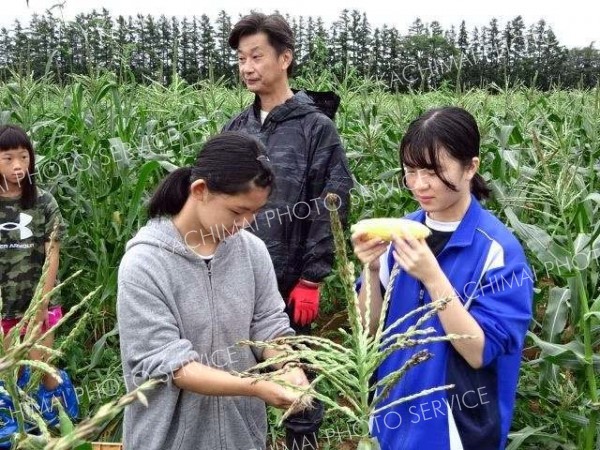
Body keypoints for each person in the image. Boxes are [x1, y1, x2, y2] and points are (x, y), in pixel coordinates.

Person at [352, 107, 533, 450]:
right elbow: (368, 330)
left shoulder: (499, 252)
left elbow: (479, 352)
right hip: (392, 418)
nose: (419, 184)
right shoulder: (399, 235)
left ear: (471, 168)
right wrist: (371, 269)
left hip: (455, 431)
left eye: (434, 171)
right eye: (411, 171)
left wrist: (433, 277)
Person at [117, 131, 310, 450]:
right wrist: (257, 386)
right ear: (200, 190)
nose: (246, 223)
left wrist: (287, 366)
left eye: (255, 212)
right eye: (237, 211)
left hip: (241, 439)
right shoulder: (145, 263)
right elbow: (172, 365)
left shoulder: (252, 252)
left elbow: (269, 327)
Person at [223, 13, 353, 447]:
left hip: (289, 281)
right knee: (242, 376)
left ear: (285, 58)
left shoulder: (315, 128)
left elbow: (332, 203)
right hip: (236, 279)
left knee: (297, 378)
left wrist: (313, 277)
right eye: (241, 59)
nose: (247, 67)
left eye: (256, 56)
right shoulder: (237, 130)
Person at [0, 124, 78, 432]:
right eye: (8, 158)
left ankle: (59, 425)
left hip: (38, 301)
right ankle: (18, 431)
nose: (18, 165)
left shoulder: (43, 202)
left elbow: (52, 254)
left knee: (43, 370)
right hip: (4, 305)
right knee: (8, 373)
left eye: (23, 157)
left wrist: (41, 305)